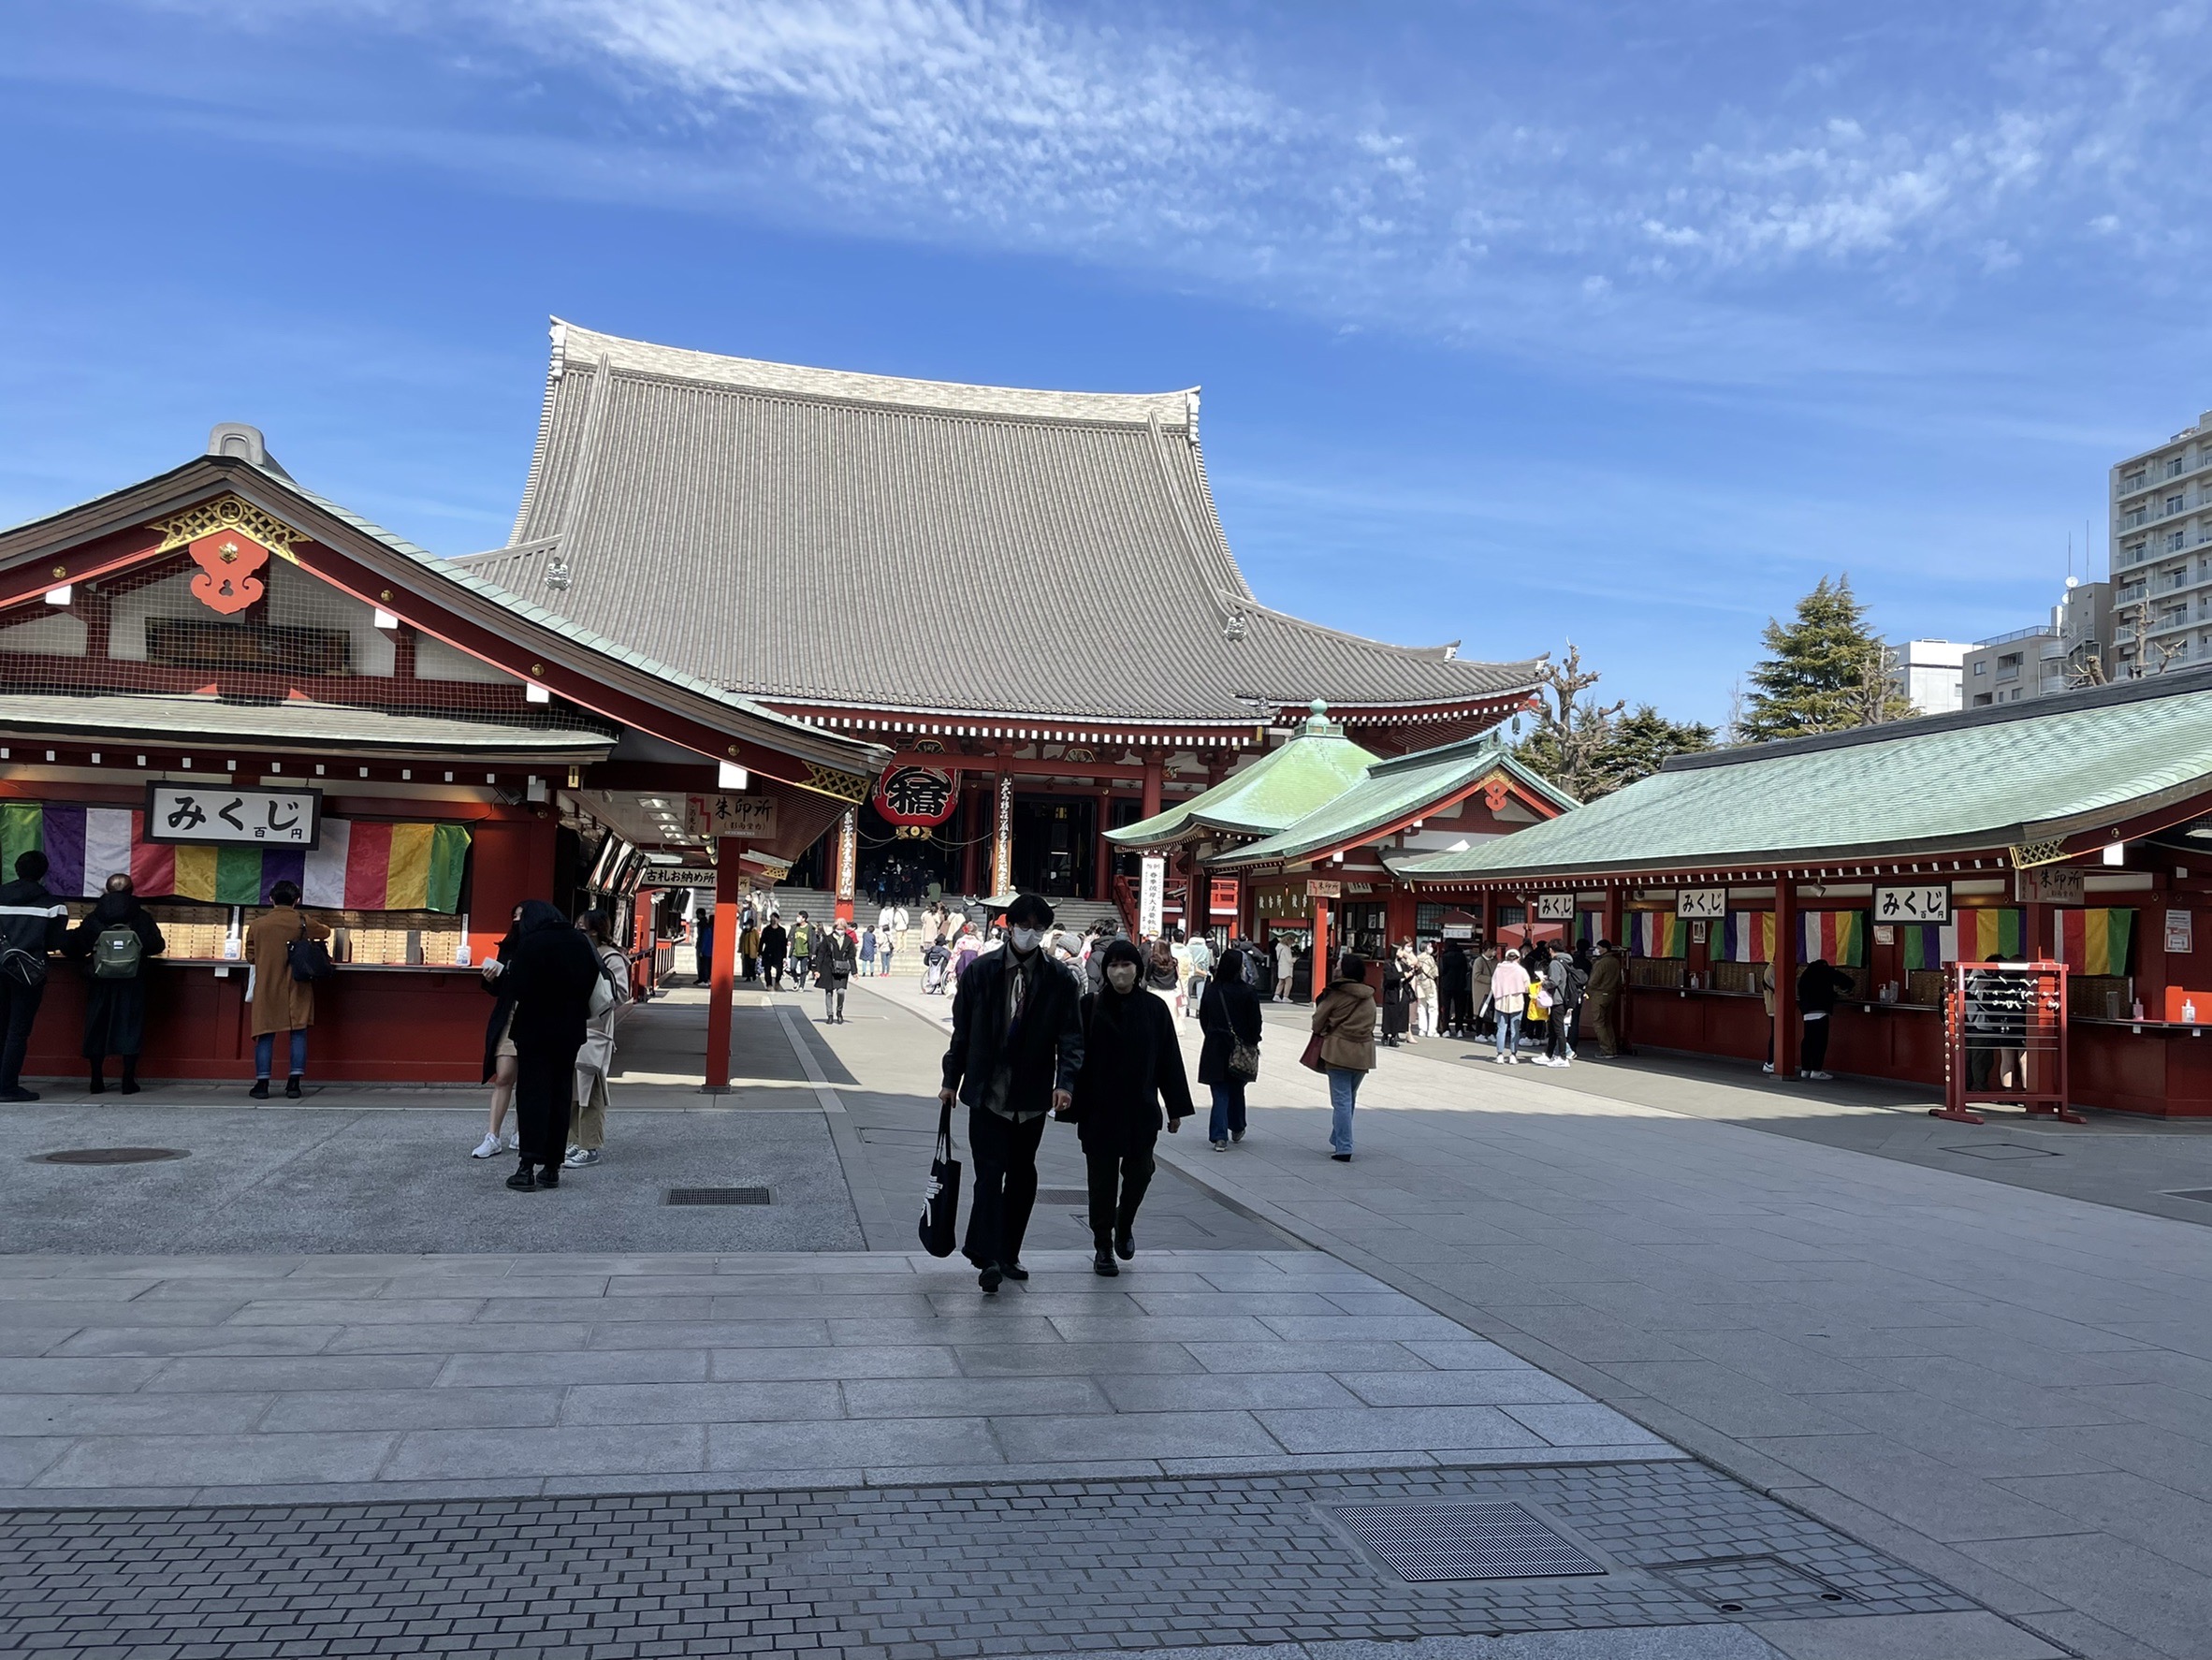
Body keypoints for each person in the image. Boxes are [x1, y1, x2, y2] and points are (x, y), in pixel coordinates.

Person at [940, 893, 1084, 1292]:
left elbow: (1071, 1037)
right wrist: (952, 1080)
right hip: (987, 1091)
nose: (1032, 934)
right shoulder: (981, 972)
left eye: (1040, 929)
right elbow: (962, 1033)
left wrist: (1065, 1083)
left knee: (1023, 1178)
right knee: (988, 1174)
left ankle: (1008, 1252)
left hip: (1032, 1094)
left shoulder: (1058, 978)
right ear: (1009, 926)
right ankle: (986, 1256)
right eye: (1025, 927)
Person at [1064, 938, 1193, 1275]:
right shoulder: (1089, 1006)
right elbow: (1072, 1055)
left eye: (1126, 964)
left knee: (1141, 1172)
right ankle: (1103, 1245)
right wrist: (1064, 1094)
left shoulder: (1154, 1009)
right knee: (1102, 1181)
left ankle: (1125, 1221)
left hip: (1141, 1108)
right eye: (1114, 965)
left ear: (1138, 969)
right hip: (1099, 1110)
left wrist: (1175, 1106)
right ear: (1106, 970)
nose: (1120, 971)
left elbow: (1169, 1059)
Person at [498, 900, 601, 1190]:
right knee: (560, 1094)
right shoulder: (580, 942)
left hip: (535, 1030)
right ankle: (552, 1167)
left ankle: (526, 1167)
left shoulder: (532, 943)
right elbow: (592, 979)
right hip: (570, 1030)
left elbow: (517, 987)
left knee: (533, 1096)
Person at [65, 872, 165, 1095]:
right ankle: (128, 1080)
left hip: (99, 981)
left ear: (107, 890)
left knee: (97, 1026)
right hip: (132, 981)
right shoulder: (141, 917)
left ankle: (96, 1079)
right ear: (131, 891)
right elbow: (156, 945)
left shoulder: (94, 917)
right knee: (130, 1027)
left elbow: (75, 947)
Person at [242, 881, 330, 1099]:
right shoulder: (301, 921)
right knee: (298, 1033)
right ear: (296, 900)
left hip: (267, 987)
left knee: (265, 1035)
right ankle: (294, 1084)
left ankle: (262, 1084)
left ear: (271, 899)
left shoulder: (258, 925)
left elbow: (251, 956)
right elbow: (325, 932)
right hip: (297, 985)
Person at [0, 850, 67, 1101]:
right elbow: (56, 942)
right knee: (17, 1030)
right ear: (43, 874)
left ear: (16, 869)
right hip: (28, 974)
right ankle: (7, 1087)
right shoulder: (52, 904)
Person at [564, 909, 630, 1169]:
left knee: (590, 1089)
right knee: (571, 1090)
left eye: (583, 926)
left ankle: (590, 1146)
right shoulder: (573, 951)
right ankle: (575, 1140)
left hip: (595, 1029)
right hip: (573, 1025)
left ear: (595, 930)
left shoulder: (612, 958)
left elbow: (620, 994)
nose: (578, 929)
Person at [1312, 952, 1376, 1161]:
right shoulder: (1369, 996)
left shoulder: (1336, 994)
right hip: (1363, 1052)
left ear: (1344, 970)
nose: (1336, 967)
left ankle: (1344, 1146)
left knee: (1341, 1100)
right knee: (1349, 1098)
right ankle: (1337, 1137)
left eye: (1339, 965)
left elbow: (1318, 1021)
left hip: (1338, 1051)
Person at [473, 905, 526, 1157]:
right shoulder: (508, 945)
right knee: (504, 1075)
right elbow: (496, 989)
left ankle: (520, 1132)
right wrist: (491, 977)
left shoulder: (542, 946)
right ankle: (492, 1136)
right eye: (513, 915)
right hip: (509, 1014)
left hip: (534, 1016)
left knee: (528, 1079)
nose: (515, 920)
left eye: (520, 916)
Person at [1197, 946, 1262, 1149]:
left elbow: (1204, 1017)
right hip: (1239, 1046)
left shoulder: (1212, 989)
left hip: (1215, 1045)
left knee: (1219, 1091)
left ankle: (1219, 1136)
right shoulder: (1248, 991)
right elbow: (1255, 1022)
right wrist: (1253, 1041)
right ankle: (1237, 1125)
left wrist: (1212, 1034)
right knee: (1236, 1087)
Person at [1797, 955, 1856, 1081]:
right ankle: (1817, 1070)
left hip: (1807, 1012)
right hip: (1821, 1011)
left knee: (1808, 1041)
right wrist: (1842, 991)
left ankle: (1805, 1069)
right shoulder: (1826, 971)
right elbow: (1847, 981)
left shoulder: (1805, 974)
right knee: (1820, 1042)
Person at [1542, 945, 1586, 1067]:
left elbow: (1554, 982)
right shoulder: (1567, 962)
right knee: (1554, 1028)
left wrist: (1544, 982)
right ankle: (1549, 1055)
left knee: (1558, 1029)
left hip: (1558, 999)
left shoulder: (1555, 963)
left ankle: (1563, 1056)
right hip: (1565, 998)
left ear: (1551, 950)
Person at [1489, 947, 1530, 1064]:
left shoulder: (1499, 969)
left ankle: (1500, 1055)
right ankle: (1513, 1055)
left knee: (1501, 1029)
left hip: (1501, 1002)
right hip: (1516, 1001)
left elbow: (1493, 985)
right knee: (1515, 1029)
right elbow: (1527, 986)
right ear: (1518, 958)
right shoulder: (1520, 970)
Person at [1583, 940, 1623, 1059]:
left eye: (1598, 947)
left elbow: (1593, 980)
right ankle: (1612, 1048)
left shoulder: (1601, 963)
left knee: (1599, 1023)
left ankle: (1606, 1050)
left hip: (1599, 994)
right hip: (1611, 993)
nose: (1596, 949)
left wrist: (1588, 990)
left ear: (1604, 949)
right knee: (1607, 1022)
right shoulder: (1615, 961)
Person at [813, 922, 856, 1023]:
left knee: (841, 991)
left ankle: (839, 1011)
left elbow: (851, 957)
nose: (840, 931)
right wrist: (817, 970)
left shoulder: (849, 940)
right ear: (834, 928)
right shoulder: (828, 939)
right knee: (829, 992)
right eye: (838, 928)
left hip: (842, 969)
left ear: (845, 929)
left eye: (842, 929)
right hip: (828, 968)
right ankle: (830, 1014)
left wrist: (854, 971)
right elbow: (821, 955)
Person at [1437, 938, 1472, 1037]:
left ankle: (1446, 1029)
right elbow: (1466, 969)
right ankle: (1459, 1029)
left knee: (1446, 1008)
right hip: (1460, 985)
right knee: (1459, 1008)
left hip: (1447, 985)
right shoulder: (1462, 956)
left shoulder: (1444, 957)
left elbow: (1441, 970)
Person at [1379, 948, 1411, 1047]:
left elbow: (1409, 972)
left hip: (1402, 990)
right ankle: (1386, 1034)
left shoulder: (1402, 963)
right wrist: (1402, 975)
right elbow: (1390, 977)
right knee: (1389, 1014)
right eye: (1400, 950)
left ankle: (1394, 1036)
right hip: (1391, 992)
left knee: (1398, 1014)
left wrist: (1410, 974)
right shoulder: (1388, 964)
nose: (1402, 953)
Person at [1183, 930, 1213, 1021]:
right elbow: (1207, 961)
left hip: (1190, 971)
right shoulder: (1205, 948)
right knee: (1200, 993)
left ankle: (1187, 1009)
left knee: (1188, 992)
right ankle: (1199, 1011)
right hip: (1201, 972)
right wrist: (1206, 971)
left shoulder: (1188, 947)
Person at [1413, 940, 1439, 1040]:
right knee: (1433, 1007)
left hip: (1419, 984)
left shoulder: (1417, 959)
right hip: (1429, 984)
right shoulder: (1429, 958)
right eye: (1429, 946)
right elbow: (1435, 973)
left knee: (1421, 1007)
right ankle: (1431, 1030)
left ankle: (1422, 1029)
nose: (1431, 948)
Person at [760, 915, 788, 992]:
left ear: (778, 920)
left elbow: (784, 943)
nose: (774, 920)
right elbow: (762, 941)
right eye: (772, 918)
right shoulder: (766, 929)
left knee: (779, 970)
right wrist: (760, 951)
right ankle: (769, 984)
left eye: (775, 919)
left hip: (778, 953)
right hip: (768, 952)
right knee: (767, 969)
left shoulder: (782, 930)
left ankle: (777, 981)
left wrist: (784, 954)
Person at [693, 908, 716, 986]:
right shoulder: (709, 926)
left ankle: (703, 978)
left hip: (703, 947)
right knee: (707, 964)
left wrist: (701, 949)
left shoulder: (703, 925)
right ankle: (706, 978)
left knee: (702, 964)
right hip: (709, 948)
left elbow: (703, 938)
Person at [1273, 934, 1295, 1002]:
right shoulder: (1286, 948)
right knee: (1289, 982)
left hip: (1281, 966)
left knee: (1281, 982)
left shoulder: (1279, 947)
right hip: (1287, 968)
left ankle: (1276, 995)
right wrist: (1295, 959)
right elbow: (1289, 959)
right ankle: (1285, 996)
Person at [738, 916, 761, 983]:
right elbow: (741, 940)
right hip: (745, 951)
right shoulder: (744, 932)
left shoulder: (754, 932)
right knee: (746, 964)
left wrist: (758, 951)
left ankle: (753, 975)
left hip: (752, 951)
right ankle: (748, 977)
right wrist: (740, 949)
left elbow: (758, 941)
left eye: (748, 925)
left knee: (752, 964)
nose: (747, 926)